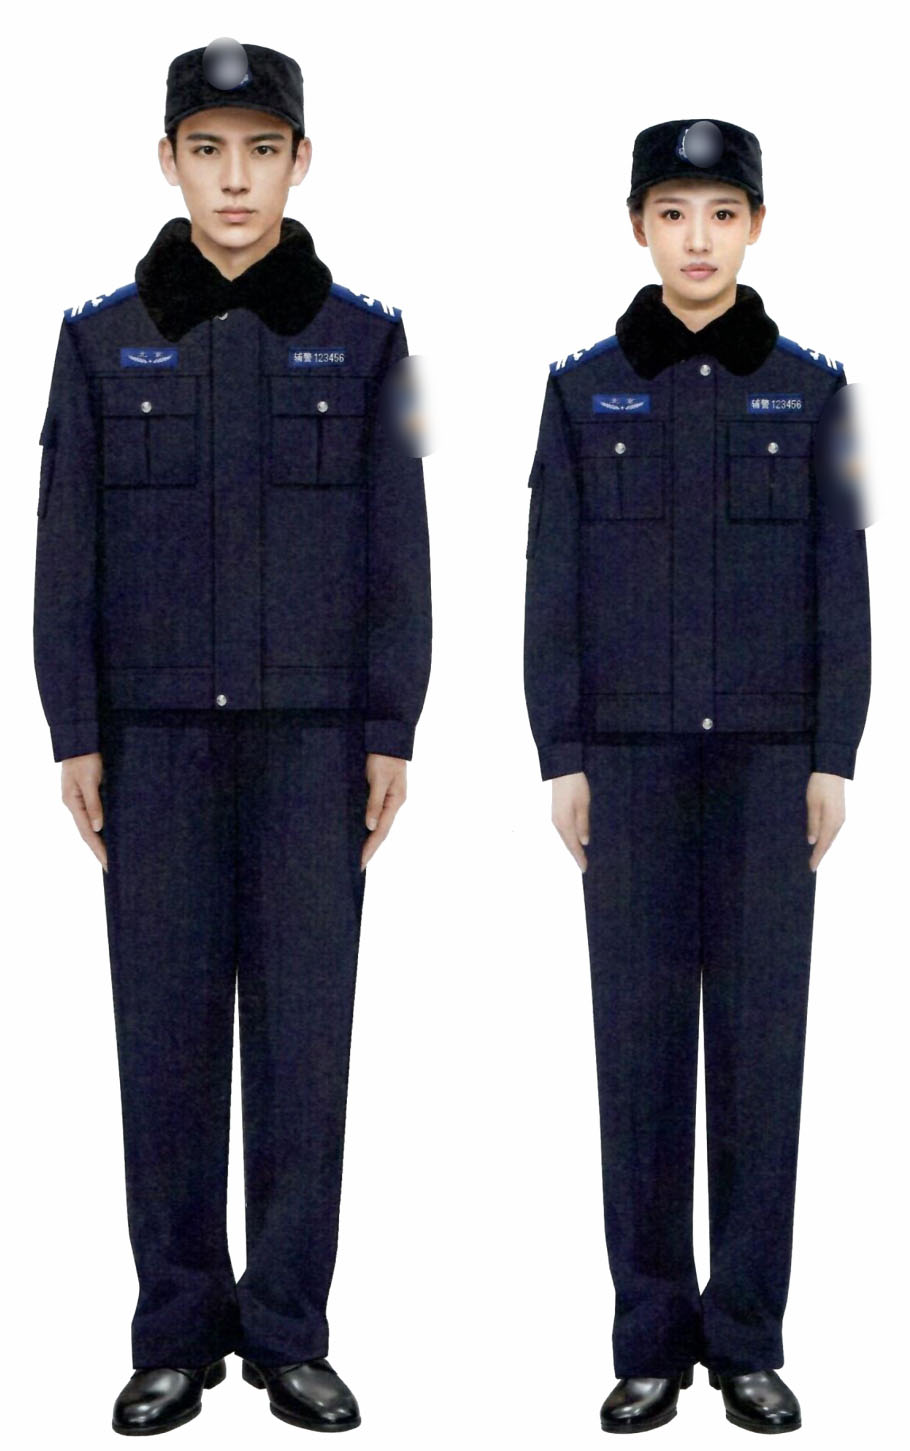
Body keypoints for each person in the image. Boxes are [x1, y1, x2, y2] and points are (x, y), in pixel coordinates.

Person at [33, 36, 431, 1436]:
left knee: (305, 1047)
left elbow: (399, 548)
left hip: (314, 747)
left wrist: (390, 724)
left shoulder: (366, 342)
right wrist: (75, 728)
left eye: (262, 149)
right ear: (169, 162)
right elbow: (64, 551)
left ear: (300, 162)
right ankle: (174, 1332)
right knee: (166, 1043)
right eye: (208, 150)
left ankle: (289, 1333)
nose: (235, 179)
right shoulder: (100, 341)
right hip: (153, 748)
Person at [523, 117, 871, 1435]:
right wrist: (562, 754)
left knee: (762, 1057)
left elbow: (842, 583)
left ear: (756, 229)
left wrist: (833, 753)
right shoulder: (582, 392)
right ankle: (648, 1342)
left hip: (771, 767)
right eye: (672, 214)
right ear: (637, 229)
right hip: (628, 766)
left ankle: (749, 1341)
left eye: (722, 215)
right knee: (639, 1056)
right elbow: (552, 584)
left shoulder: (814, 392)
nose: (697, 241)